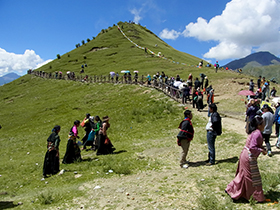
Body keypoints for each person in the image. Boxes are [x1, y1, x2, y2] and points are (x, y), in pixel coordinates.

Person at [225, 116, 266, 203]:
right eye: (263, 123)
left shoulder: (255, 132)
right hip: (248, 156)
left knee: (243, 175)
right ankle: (254, 197)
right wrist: (261, 150)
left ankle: (233, 190)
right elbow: (252, 147)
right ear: (259, 125)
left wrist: (261, 147)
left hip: (245, 155)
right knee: (253, 178)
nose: (264, 125)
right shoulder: (257, 133)